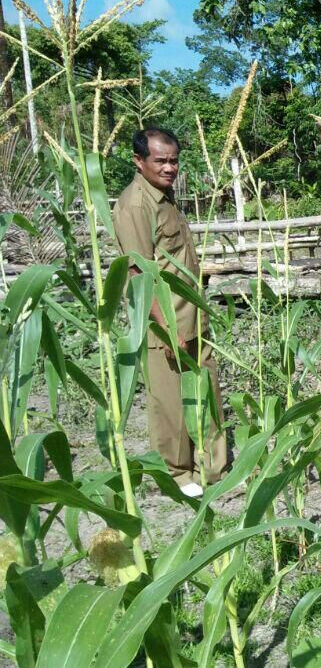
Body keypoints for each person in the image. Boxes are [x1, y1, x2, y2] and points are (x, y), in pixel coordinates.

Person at [113, 127, 229, 498]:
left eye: (174, 161)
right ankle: (177, 475)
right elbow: (138, 273)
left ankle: (214, 468)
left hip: (192, 315)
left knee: (206, 391)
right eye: (160, 161)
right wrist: (165, 327)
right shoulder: (135, 205)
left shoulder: (166, 197)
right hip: (164, 321)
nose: (169, 168)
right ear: (139, 161)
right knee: (171, 404)